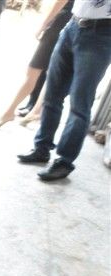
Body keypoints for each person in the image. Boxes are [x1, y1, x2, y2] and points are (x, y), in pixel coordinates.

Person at [17, 0, 111, 181]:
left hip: (101, 34)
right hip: (73, 25)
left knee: (79, 103)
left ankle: (64, 161)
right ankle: (41, 148)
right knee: (52, 94)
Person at [0, 0, 74, 129]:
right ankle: (35, 111)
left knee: (34, 69)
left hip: (61, 22)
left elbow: (60, 2)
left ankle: (10, 112)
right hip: (72, 25)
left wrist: (43, 24)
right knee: (51, 72)